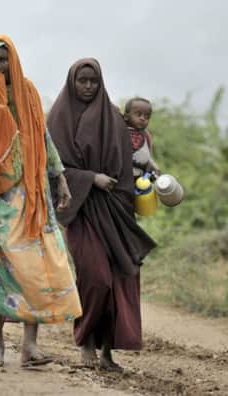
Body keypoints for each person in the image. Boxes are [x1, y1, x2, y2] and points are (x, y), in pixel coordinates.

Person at [0, 35, 82, 367]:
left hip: (32, 195)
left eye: (3, 60)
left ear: (13, 60)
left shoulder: (27, 91)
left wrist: (60, 176)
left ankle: (30, 347)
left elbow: (41, 134)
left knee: (35, 269)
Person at [47, 58, 157, 372]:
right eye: (82, 81)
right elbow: (53, 170)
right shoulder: (58, 119)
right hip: (81, 210)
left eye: (93, 81)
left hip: (117, 209)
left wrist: (149, 182)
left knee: (121, 280)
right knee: (96, 279)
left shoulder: (113, 117)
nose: (87, 87)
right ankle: (85, 344)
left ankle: (107, 352)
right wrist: (90, 178)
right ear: (72, 82)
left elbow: (131, 161)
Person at [124, 97, 160, 178]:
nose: (143, 118)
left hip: (140, 179)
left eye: (147, 117)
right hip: (121, 177)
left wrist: (154, 168)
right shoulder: (120, 131)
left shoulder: (146, 136)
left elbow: (148, 156)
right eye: (138, 114)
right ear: (126, 116)